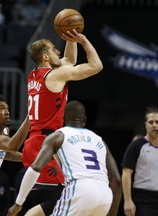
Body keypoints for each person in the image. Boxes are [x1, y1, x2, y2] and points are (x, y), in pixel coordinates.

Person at [21, 29, 103, 215]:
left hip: (36, 141)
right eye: (53, 49)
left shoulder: (35, 74)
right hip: (46, 142)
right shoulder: (55, 76)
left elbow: (69, 61)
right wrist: (83, 40)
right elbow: (96, 66)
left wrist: (70, 39)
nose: (57, 51)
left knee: (51, 199)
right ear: (45, 56)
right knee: (60, 197)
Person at [7, 100, 122, 216]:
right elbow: (116, 180)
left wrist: (18, 203)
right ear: (84, 119)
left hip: (80, 189)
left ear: (63, 118)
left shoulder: (58, 136)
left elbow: (35, 167)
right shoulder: (99, 140)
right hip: (104, 193)